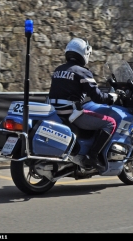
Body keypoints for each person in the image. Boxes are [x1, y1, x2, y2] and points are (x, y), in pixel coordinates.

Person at [47, 37, 117, 170]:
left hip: (56, 112)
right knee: (110, 123)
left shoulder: (58, 70)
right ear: (84, 53)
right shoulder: (82, 72)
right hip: (72, 114)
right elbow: (97, 97)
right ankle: (93, 156)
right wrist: (111, 98)